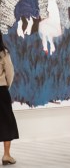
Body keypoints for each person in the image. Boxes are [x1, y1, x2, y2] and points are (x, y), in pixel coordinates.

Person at [0, 31, 18, 165]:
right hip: (1, 90)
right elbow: (10, 72)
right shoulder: (3, 54)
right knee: (7, 122)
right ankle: (6, 155)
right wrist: (6, 85)